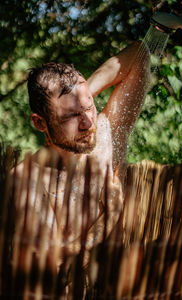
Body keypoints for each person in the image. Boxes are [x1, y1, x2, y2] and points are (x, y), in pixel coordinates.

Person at [8, 41, 150, 298]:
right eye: (71, 117)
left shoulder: (105, 137)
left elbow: (138, 57)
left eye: (90, 108)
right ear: (40, 123)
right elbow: (53, 269)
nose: (88, 124)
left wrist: (80, 96)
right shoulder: (27, 181)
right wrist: (111, 212)